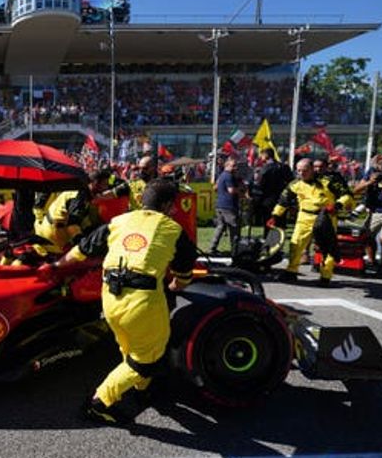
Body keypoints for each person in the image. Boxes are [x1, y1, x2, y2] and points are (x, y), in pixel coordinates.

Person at [39, 179, 196, 426]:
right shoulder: (172, 228)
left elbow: (82, 249)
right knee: (147, 358)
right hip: (142, 302)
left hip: (111, 299)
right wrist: (176, 286)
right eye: (173, 206)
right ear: (166, 205)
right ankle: (98, 403)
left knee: (129, 347)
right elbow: (183, 275)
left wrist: (56, 266)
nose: (175, 211)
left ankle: (142, 389)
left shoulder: (119, 222)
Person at [268, 158, 354, 285]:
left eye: (305, 170)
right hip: (304, 217)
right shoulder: (295, 184)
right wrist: (275, 216)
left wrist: (336, 205)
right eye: (298, 171)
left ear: (312, 169)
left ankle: (325, 276)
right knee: (295, 244)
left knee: (327, 247)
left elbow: (347, 196)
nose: (301, 173)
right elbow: (283, 201)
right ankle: (291, 271)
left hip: (325, 218)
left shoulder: (329, 181)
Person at [209, 158, 243, 256]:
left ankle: (212, 248)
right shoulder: (229, 176)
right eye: (233, 166)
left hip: (220, 205)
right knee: (234, 228)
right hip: (228, 206)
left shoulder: (222, 175)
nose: (235, 168)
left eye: (236, 165)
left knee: (220, 227)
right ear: (227, 166)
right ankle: (235, 250)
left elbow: (215, 187)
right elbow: (231, 190)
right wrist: (240, 190)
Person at [252, 148, 292, 229]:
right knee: (280, 221)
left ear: (266, 156)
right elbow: (291, 182)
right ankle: (280, 238)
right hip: (282, 198)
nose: (260, 157)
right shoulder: (284, 167)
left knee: (269, 221)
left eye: (261, 155)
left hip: (267, 199)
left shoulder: (265, 169)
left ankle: (269, 239)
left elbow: (260, 185)